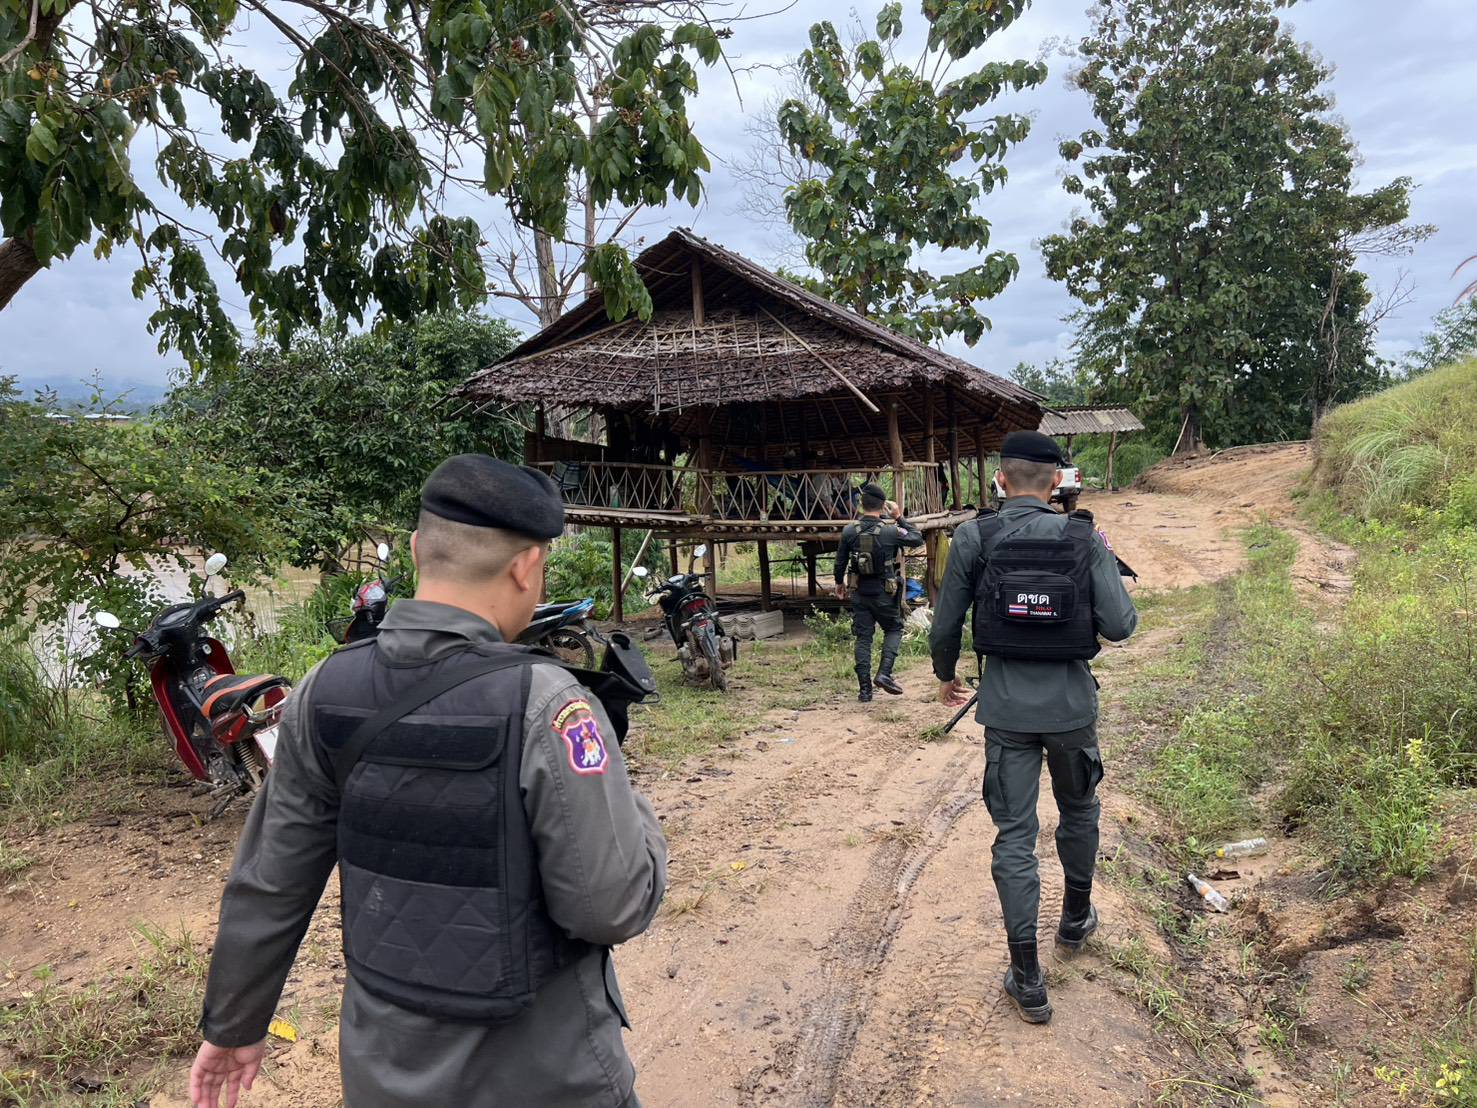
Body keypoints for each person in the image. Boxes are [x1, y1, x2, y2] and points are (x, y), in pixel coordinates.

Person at [188, 455, 667, 1108]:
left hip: (383, 1077)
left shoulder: (322, 691)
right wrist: (635, 814)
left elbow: (271, 881)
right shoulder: (547, 702)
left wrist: (234, 1026)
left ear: (417, 549)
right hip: (546, 1077)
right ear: (527, 566)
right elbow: (610, 906)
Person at [928, 430, 1137, 1025]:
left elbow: (945, 625)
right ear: (1055, 483)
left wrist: (946, 674)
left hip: (1007, 713)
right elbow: (1120, 626)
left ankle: (1027, 977)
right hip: (1071, 710)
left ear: (1000, 480)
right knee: (1080, 811)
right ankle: (1074, 920)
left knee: (1015, 836)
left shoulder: (975, 537)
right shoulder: (1082, 536)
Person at [833, 483, 925, 702]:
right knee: (893, 629)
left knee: (863, 638)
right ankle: (884, 673)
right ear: (883, 506)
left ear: (861, 504)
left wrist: (838, 583)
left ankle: (865, 691)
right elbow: (916, 538)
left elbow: (840, 562)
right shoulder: (891, 531)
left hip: (859, 592)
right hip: (885, 593)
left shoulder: (849, 531)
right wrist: (898, 517)